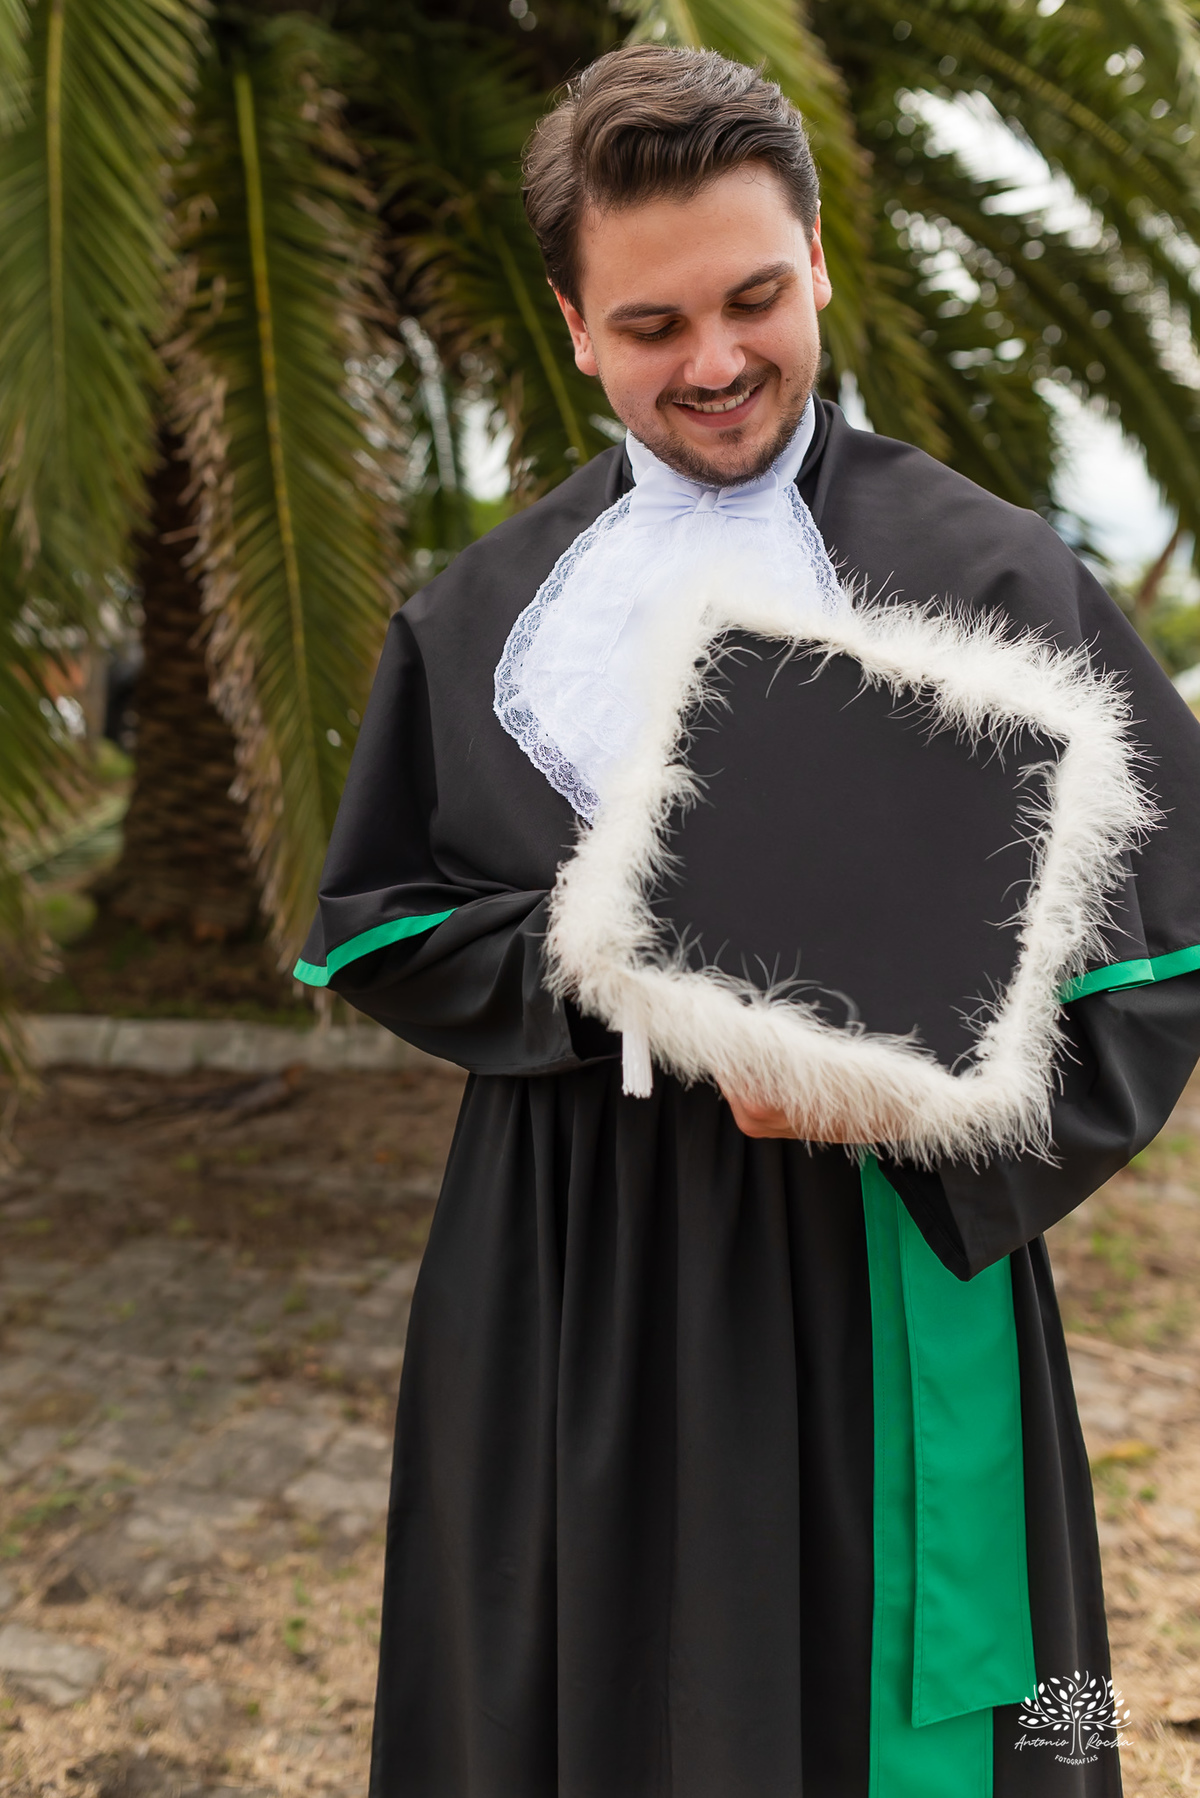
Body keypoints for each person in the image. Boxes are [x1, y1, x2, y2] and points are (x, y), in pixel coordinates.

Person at [295, 44, 1200, 1798]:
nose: (714, 363)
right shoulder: (479, 614)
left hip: (891, 1255)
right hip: (571, 1270)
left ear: (817, 263)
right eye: (650, 326)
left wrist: (927, 1106)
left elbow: (1167, 959)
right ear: (570, 322)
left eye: (753, 298)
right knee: (570, 1686)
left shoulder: (1000, 573)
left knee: (988, 1726)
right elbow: (375, 922)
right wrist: (615, 963)